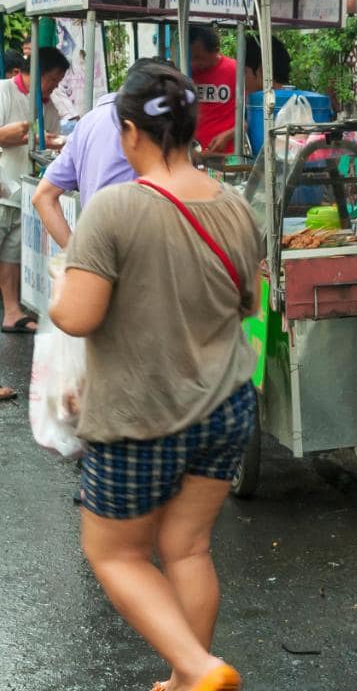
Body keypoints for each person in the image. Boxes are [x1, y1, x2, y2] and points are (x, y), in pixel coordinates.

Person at [48, 61, 262, 691]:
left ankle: (199, 668)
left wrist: (60, 288)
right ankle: (184, 681)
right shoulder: (234, 207)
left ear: (129, 131)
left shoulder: (113, 209)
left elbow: (78, 316)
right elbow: (248, 304)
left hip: (142, 413)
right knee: (188, 548)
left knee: (115, 553)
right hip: (225, 405)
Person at [33, 59, 168, 249]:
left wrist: (75, 254)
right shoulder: (140, 123)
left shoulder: (88, 121)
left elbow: (42, 196)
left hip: (97, 246)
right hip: (135, 249)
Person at [0, 46, 69, 333]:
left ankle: (11, 312)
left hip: (23, 193)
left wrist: (47, 144)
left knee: (11, 254)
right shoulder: (4, 91)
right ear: (38, 72)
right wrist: (12, 136)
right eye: (52, 79)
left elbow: (47, 150)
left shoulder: (49, 109)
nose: (54, 87)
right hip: (2, 188)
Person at [189, 25, 238, 154]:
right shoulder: (186, 72)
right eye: (191, 57)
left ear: (215, 51)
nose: (194, 63)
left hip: (224, 154)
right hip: (193, 153)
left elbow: (248, 120)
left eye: (199, 58)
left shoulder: (235, 70)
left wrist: (228, 135)